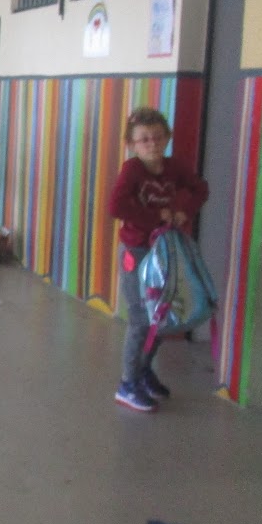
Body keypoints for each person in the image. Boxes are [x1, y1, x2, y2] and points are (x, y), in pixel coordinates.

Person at [107, 107, 208, 413]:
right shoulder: (132, 170)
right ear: (132, 144)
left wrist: (183, 211)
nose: (152, 144)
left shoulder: (173, 167)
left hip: (163, 251)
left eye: (158, 137)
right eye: (144, 139)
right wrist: (156, 216)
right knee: (141, 318)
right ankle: (127, 383)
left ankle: (143, 370)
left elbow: (200, 189)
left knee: (161, 316)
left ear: (167, 138)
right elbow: (116, 207)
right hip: (136, 251)